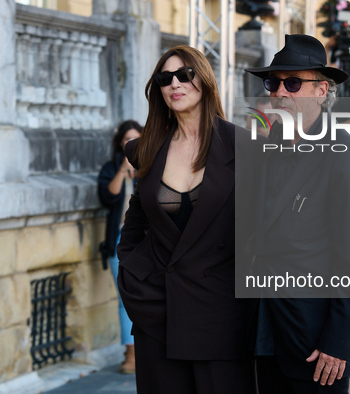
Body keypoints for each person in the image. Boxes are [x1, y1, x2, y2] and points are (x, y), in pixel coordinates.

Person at [117, 45, 257, 394]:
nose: (174, 84)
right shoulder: (145, 149)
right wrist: (134, 283)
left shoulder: (245, 146)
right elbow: (134, 225)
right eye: (165, 78)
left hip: (222, 317)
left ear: (204, 80)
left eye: (184, 74)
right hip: (158, 315)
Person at [245, 34, 350, 394]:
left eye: (293, 83)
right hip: (266, 327)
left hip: (318, 341)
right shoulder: (269, 149)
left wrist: (340, 342)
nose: (280, 93)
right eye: (273, 83)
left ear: (322, 90)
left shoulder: (345, 153)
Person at [97, 120, 143, 374]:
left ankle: (148, 349)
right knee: (124, 298)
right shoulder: (111, 168)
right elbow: (108, 196)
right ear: (120, 143)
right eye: (127, 139)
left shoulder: (151, 166)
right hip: (119, 241)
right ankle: (131, 353)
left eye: (136, 139)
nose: (132, 144)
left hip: (147, 241)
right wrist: (123, 170)